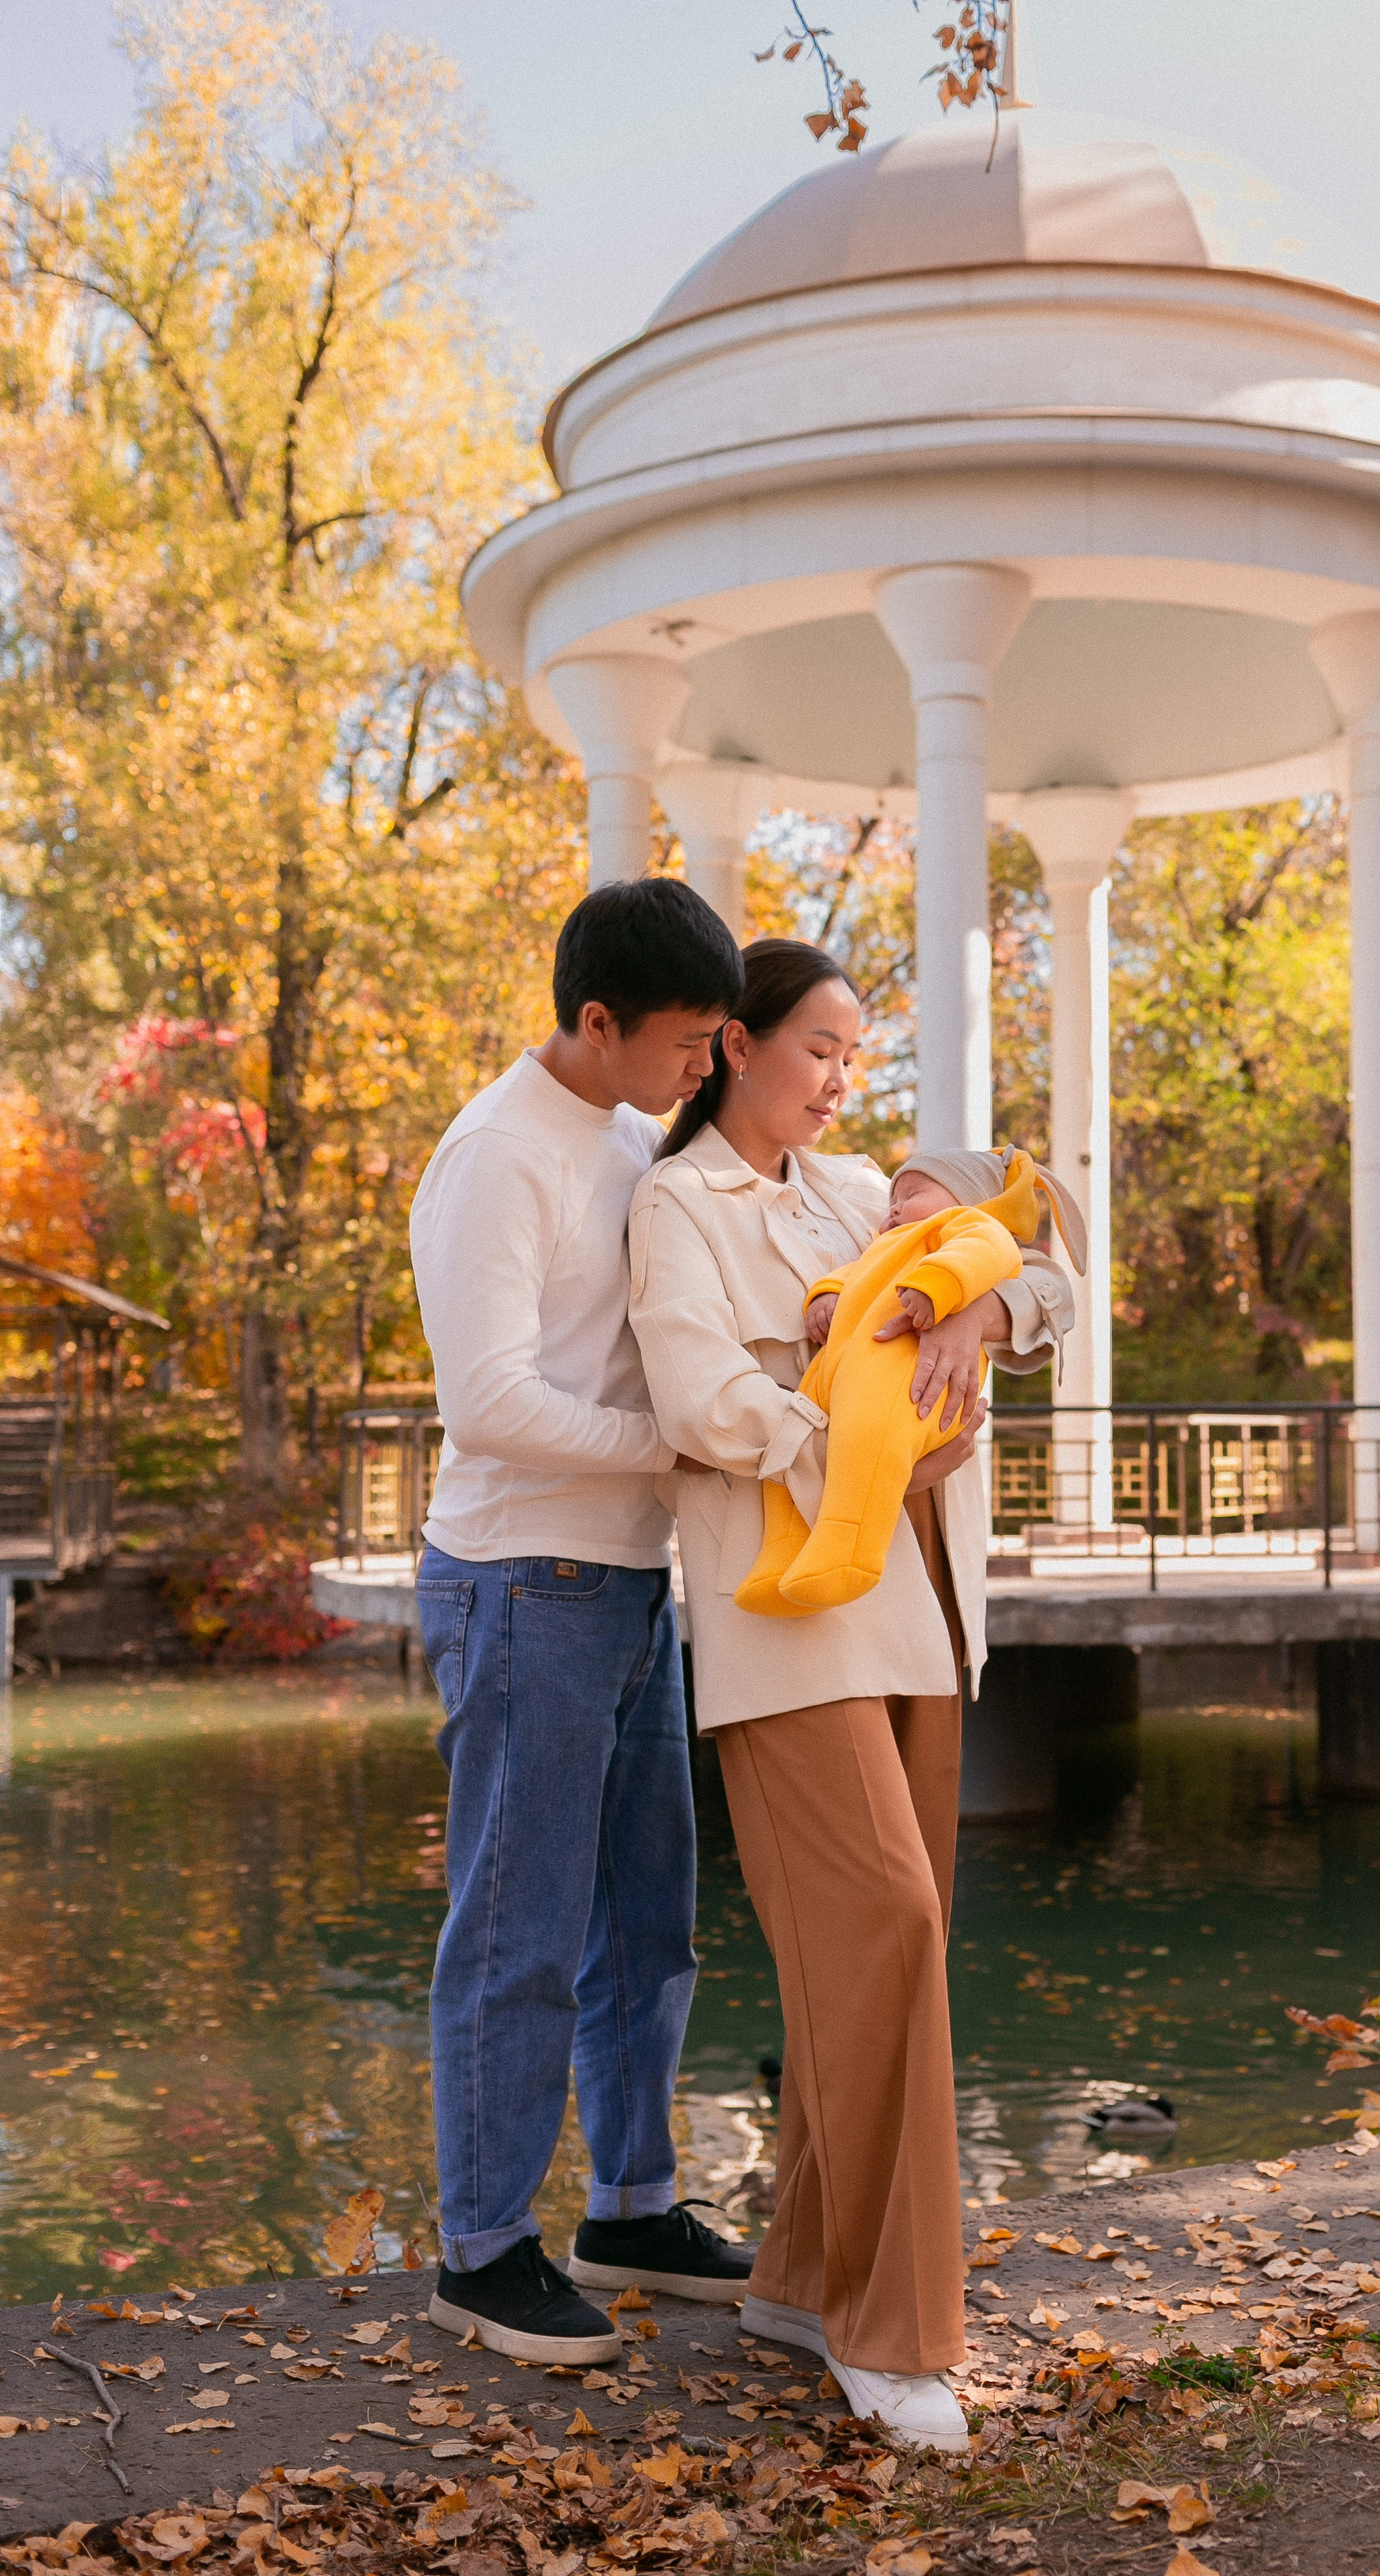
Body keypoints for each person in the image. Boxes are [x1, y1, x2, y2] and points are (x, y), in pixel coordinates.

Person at [627, 938, 1073, 2451]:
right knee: (883, 1926)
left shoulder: (861, 1187)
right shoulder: (676, 1206)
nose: (838, 1078)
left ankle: (799, 2273)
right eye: (816, 1047)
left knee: (873, 1958)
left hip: (927, 1614)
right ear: (734, 1045)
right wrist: (862, 1444)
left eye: (850, 1053)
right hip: (786, 1620)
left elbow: (1055, 1265)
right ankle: (891, 2332)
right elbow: (703, 1403)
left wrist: (972, 1312)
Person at [409, 879, 757, 2365]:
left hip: (625, 1581)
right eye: (686, 1041)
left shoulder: (640, 1137)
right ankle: (481, 2251)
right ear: (598, 1022)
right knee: (518, 1930)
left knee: (646, 1920)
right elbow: (484, 1400)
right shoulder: (497, 1157)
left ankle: (633, 2203)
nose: (705, 1067)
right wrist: (670, 1456)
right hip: (517, 1579)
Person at [736, 1146, 1086, 1614]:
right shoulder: (892, 1243)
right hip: (843, 1370)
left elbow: (989, 1254)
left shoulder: (967, 1227)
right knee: (789, 1445)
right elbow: (854, 1276)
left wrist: (944, 1292)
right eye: (893, 1200)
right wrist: (825, 1298)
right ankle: (779, 1557)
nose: (894, 1207)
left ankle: (849, 1555)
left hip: (902, 1381)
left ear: (969, 1201)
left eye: (912, 1194)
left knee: (864, 1439)